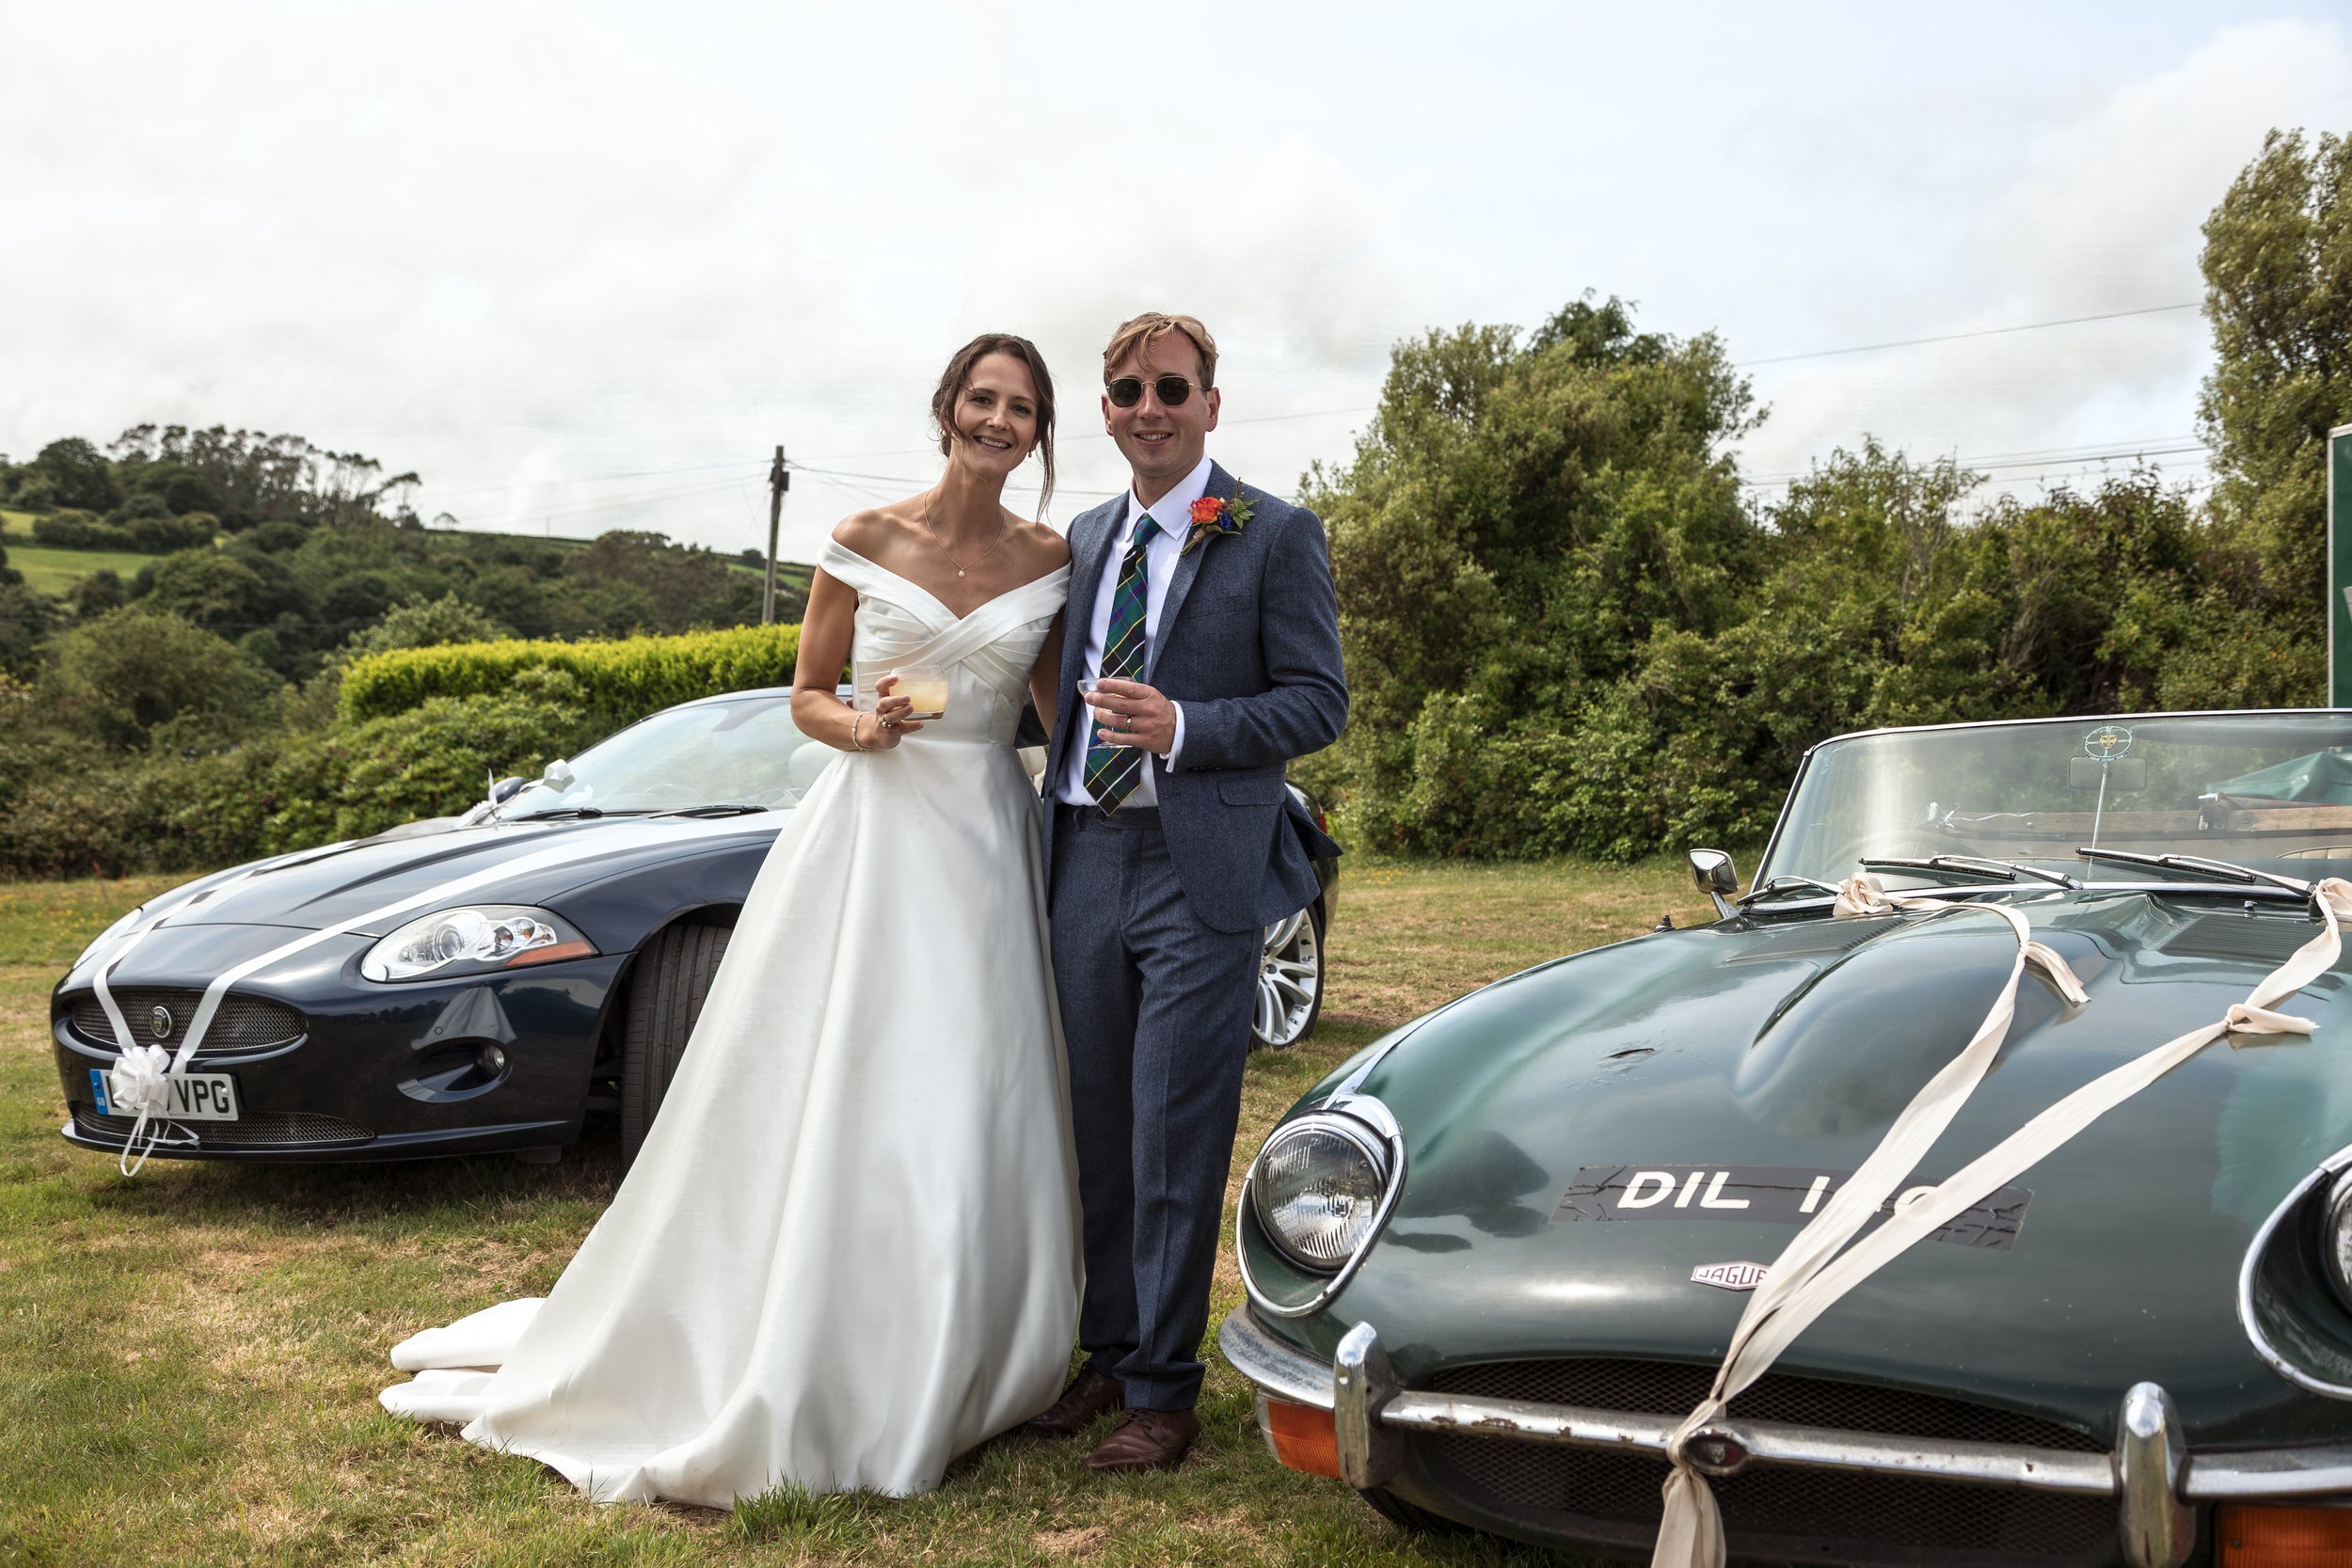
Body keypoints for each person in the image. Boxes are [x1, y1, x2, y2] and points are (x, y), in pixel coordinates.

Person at [378, 334, 1081, 1506]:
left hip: (984, 846)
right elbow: (809, 693)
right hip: (869, 833)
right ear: (947, 407)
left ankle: (960, 1346)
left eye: (1020, 408)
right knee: (839, 1074)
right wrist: (857, 730)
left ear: (1039, 431)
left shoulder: (1050, 557)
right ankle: (801, 1319)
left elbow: (1055, 721)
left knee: (971, 1079)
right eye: (982, 398)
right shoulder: (864, 541)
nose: (997, 421)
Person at [1025, 312, 1347, 1472]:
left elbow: (1319, 701)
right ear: (1104, 410)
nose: (1147, 407)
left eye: (1170, 387)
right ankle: (1107, 1351)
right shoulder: (1086, 533)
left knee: (1174, 1126)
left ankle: (1163, 1387)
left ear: (1211, 403)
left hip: (1194, 864)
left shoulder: (1273, 531)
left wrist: (1189, 725)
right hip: (1081, 855)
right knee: (1095, 1127)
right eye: (1125, 390)